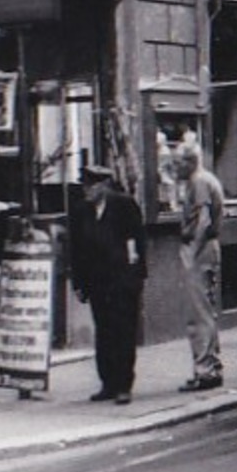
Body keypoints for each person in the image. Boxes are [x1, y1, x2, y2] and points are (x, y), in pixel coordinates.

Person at [68, 164, 147, 404]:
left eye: (91, 185)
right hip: (98, 283)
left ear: (104, 186)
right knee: (104, 333)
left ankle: (124, 384)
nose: (86, 190)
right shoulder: (82, 211)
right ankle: (108, 383)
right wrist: (79, 283)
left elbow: (136, 243)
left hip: (122, 282)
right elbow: (77, 250)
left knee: (123, 332)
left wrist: (134, 278)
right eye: (84, 185)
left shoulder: (124, 205)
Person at [175, 139, 226, 391]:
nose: (175, 169)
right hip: (208, 249)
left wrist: (191, 254)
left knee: (199, 314)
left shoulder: (199, 182)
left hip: (200, 250)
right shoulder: (206, 179)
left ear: (190, 161)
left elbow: (203, 221)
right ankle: (211, 366)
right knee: (207, 311)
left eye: (178, 163)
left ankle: (205, 370)